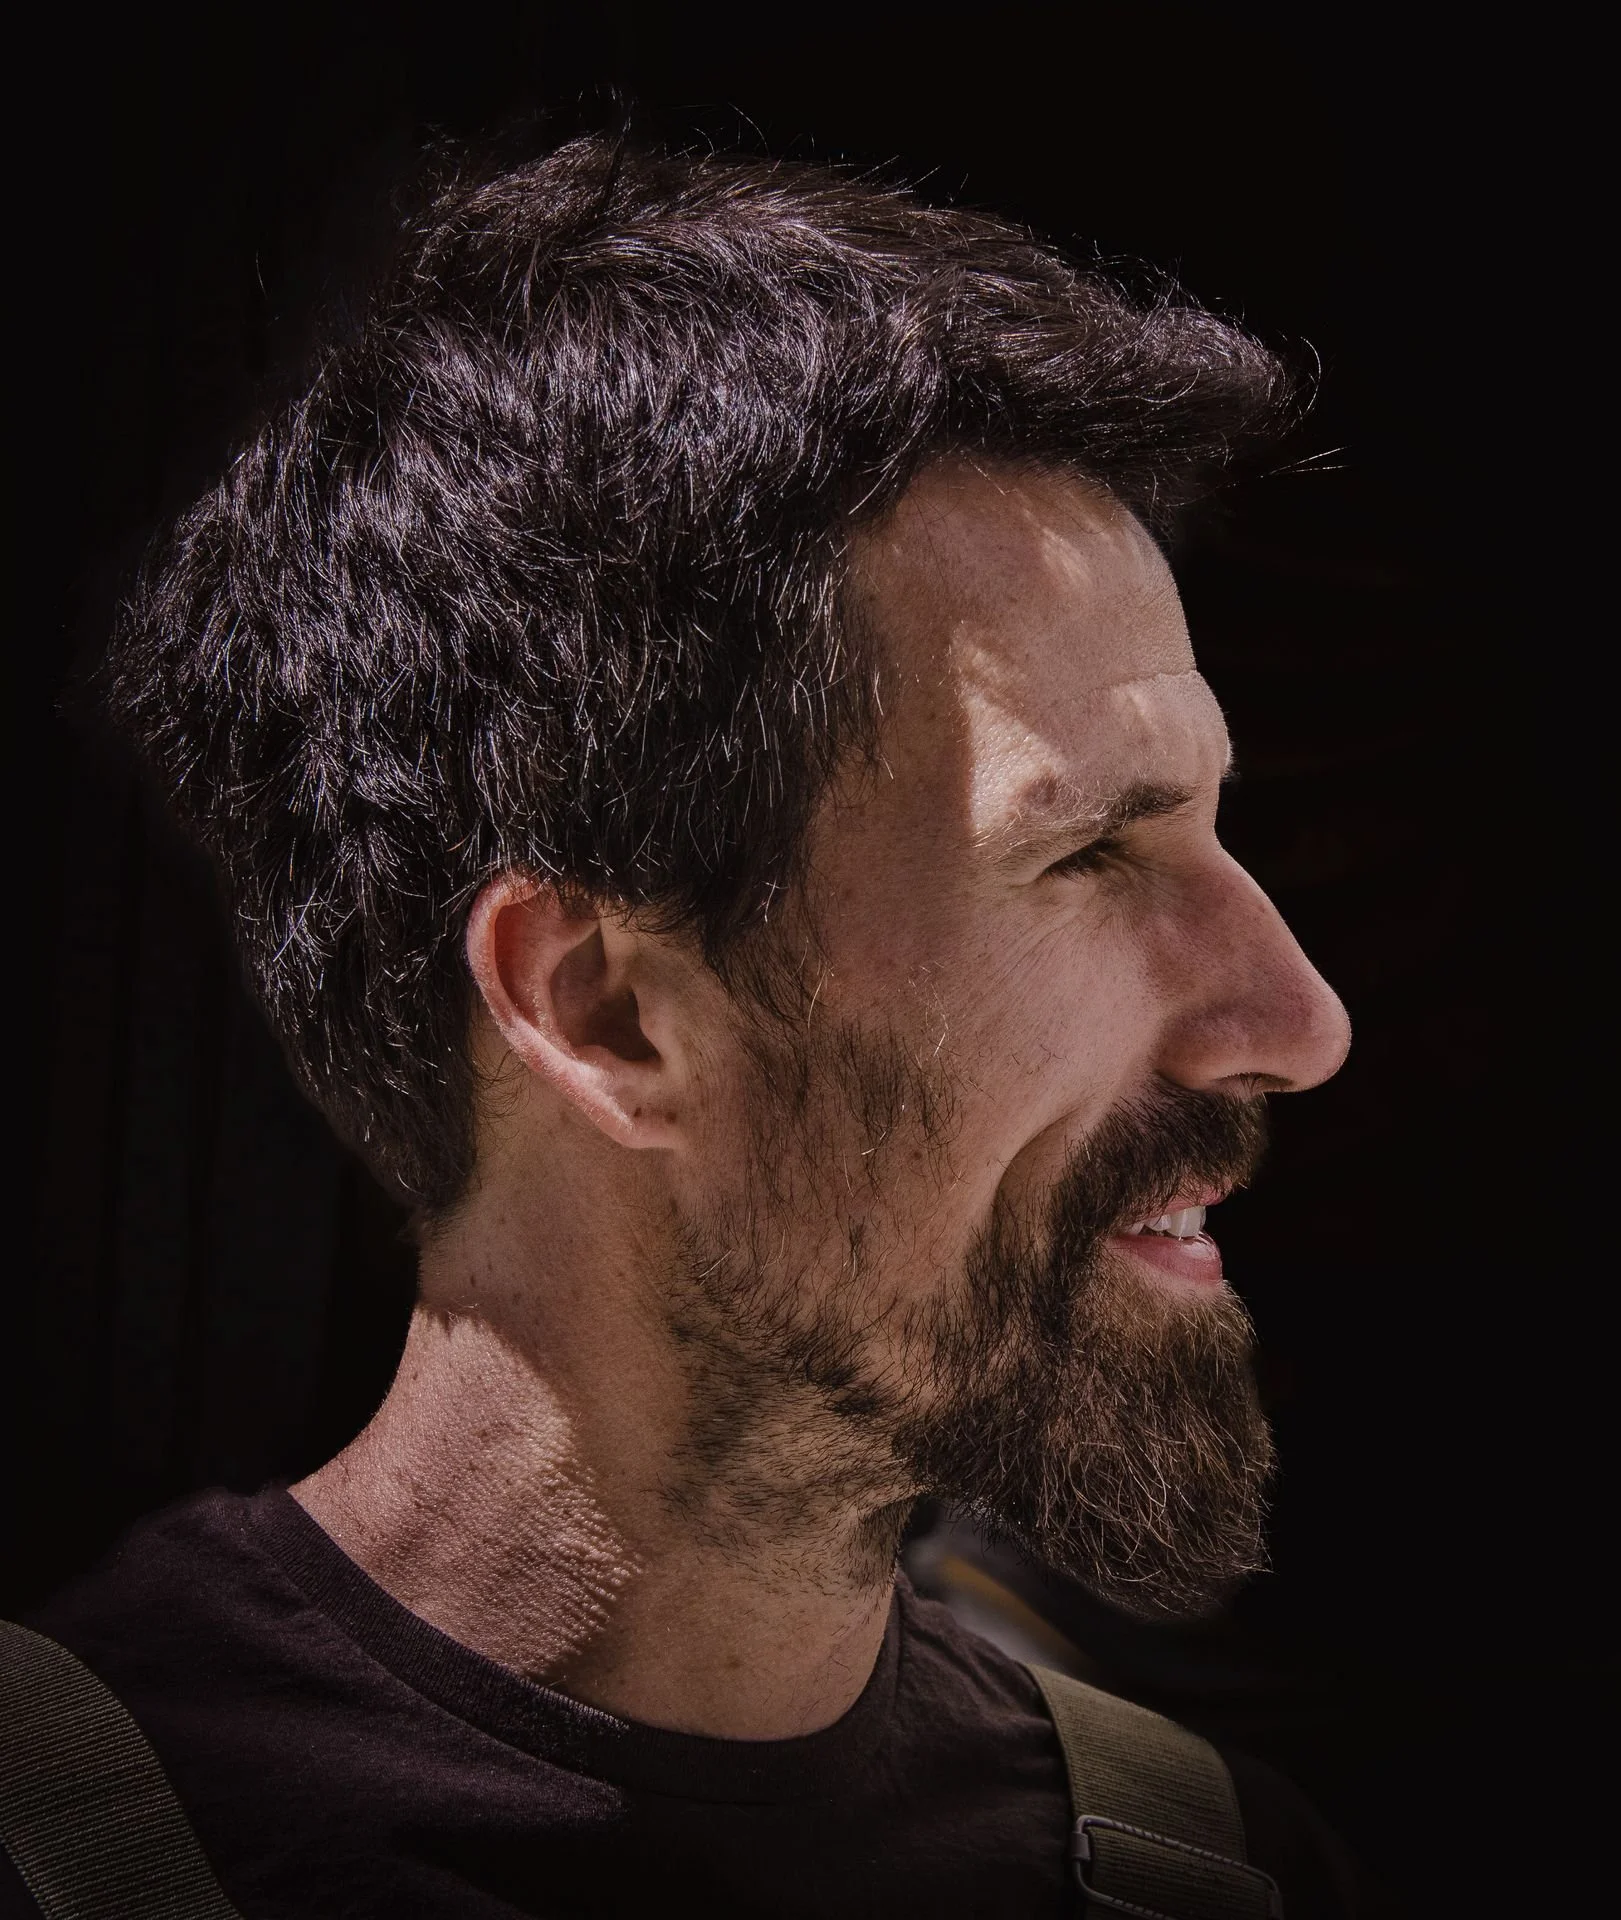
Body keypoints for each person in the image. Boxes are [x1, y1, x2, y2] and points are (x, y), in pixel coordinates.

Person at [6, 135, 1375, 1917]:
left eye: (1211, 827)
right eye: (1088, 852)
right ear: (606, 1008)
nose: (1297, 1020)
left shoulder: (1218, 1873)